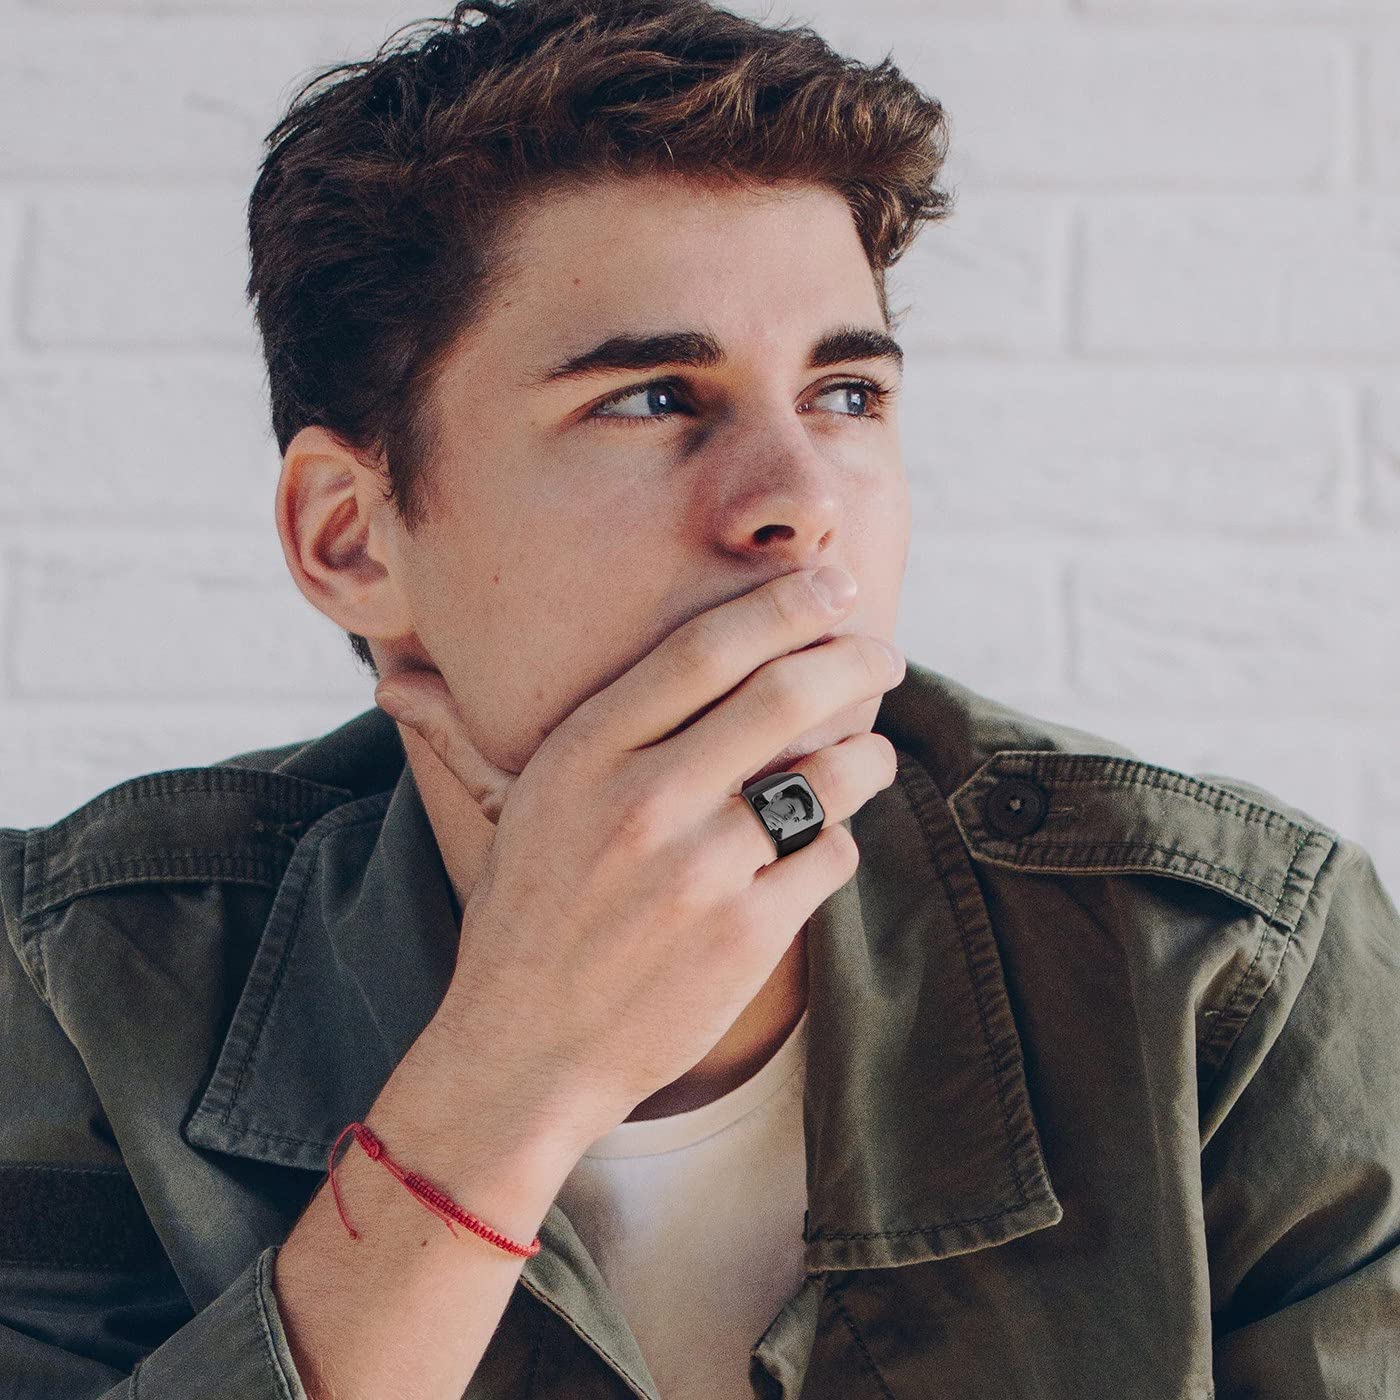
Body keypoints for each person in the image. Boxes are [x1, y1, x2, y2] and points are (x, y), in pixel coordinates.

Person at [2, 0, 1398, 1396]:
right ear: (354, 541)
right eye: (654, 399)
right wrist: (507, 1075)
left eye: (845, 396)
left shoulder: (1223, 971)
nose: (800, 501)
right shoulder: (80, 983)